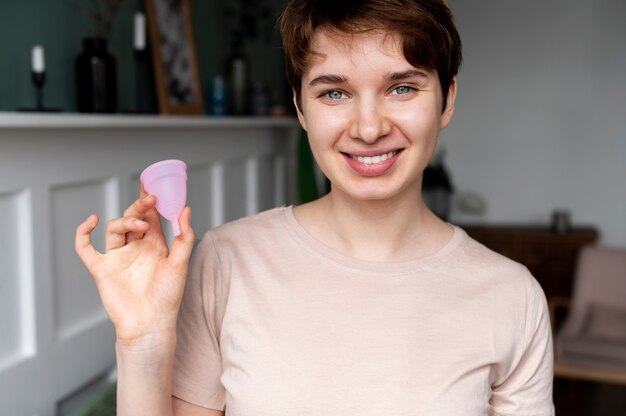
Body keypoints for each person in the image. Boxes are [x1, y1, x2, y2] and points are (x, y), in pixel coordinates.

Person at [75, 0, 555, 415]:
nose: (368, 128)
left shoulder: (512, 297)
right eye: (334, 93)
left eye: (402, 88)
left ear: (447, 99)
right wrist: (143, 342)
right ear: (301, 109)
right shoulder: (226, 261)